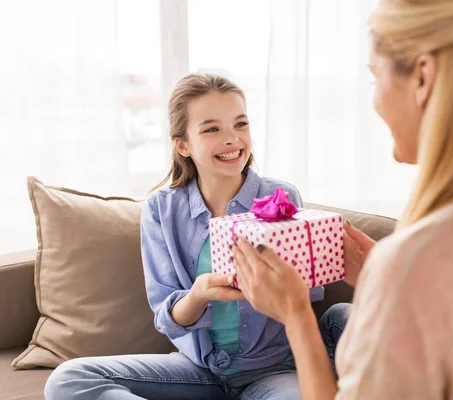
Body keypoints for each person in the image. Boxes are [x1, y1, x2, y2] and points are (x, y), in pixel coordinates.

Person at [231, 0, 453, 399]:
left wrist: (296, 317)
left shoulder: (417, 260)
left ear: (423, 78)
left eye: (375, 76)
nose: (375, 99)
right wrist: (380, 278)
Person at [44, 73, 331, 400]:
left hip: (274, 371)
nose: (232, 139)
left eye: (240, 124)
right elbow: (168, 318)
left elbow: (307, 295)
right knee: (68, 379)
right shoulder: (161, 210)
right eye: (212, 129)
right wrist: (199, 294)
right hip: (197, 370)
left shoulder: (281, 196)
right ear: (183, 145)